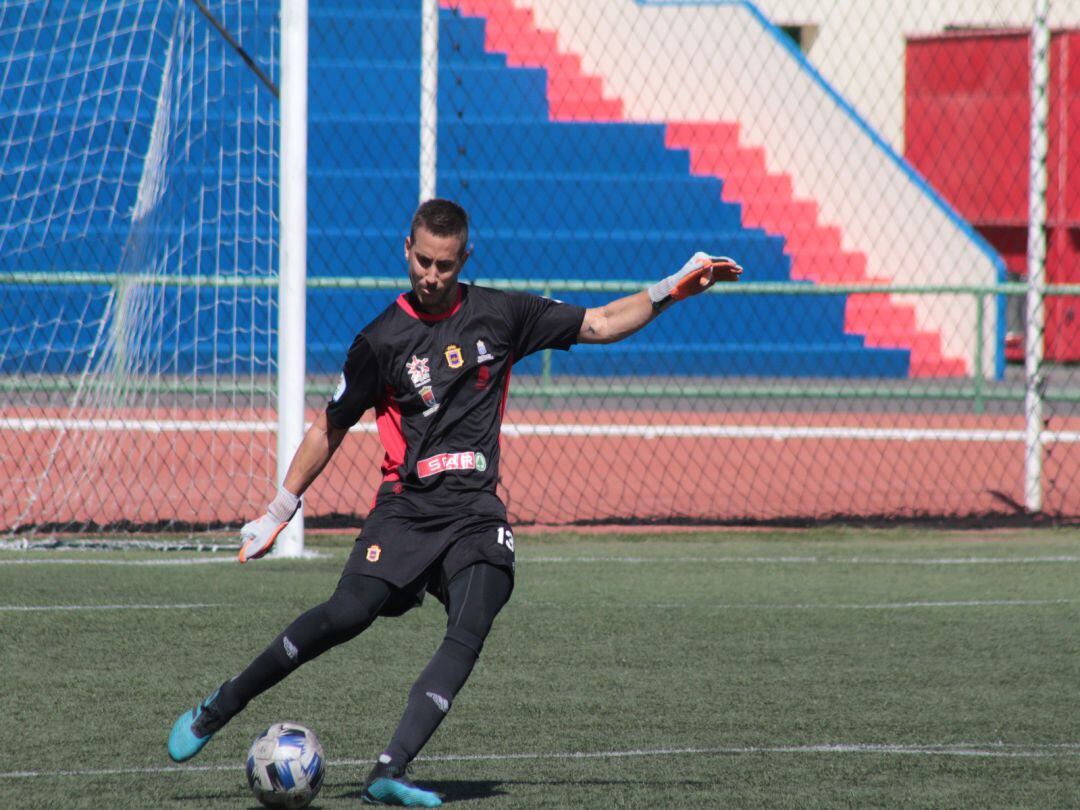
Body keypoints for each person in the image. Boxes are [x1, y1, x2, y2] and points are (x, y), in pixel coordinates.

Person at [167, 198, 741, 807]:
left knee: (476, 613)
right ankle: (222, 705)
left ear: (464, 258)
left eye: (444, 264)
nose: (431, 276)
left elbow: (599, 323)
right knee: (346, 614)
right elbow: (329, 426)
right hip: (405, 510)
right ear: (405, 251)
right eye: (422, 261)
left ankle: (389, 770)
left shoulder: (504, 313)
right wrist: (279, 511)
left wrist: (670, 290)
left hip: (474, 513)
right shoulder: (381, 340)